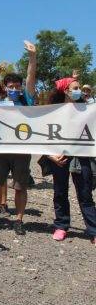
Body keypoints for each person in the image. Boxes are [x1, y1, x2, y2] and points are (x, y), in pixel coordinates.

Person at [0, 41, 37, 235]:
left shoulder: (26, 100)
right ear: (6, 87)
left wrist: (32, 57)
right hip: (0, 150)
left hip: (21, 151)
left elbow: (31, 77)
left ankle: (19, 219)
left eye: (17, 86)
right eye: (10, 86)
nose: (14, 88)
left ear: (21, 87)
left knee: (20, 186)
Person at [45, 77, 96, 244]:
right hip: (59, 157)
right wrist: (51, 155)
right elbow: (44, 135)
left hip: (82, 156)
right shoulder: (52, 111)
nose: (79, 90)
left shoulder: (88, 109)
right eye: (75, 87)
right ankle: (61, 225)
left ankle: (93, 230)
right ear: (65, 91)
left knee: (85, 193)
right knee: (60, 192)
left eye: (79, 87)